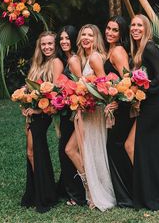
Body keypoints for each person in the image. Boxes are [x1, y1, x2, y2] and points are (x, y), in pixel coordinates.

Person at [125, 14, 159, 211]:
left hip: (154, 104)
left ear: (146, 28)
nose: (135, 28)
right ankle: (157, 189)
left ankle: (150, 192)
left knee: (136, 145)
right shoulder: (138, 49)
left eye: (139, 25)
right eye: (133, 25)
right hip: (149, 104)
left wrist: (145, 92)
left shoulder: (148, 47)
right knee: (151, 147)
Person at [67, 24, 116, 211]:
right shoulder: (84, 58)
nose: (86, 38)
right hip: (85, 112)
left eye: (90, 35)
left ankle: (95, 194)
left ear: (96, 39)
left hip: (93, 113)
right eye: (83, 34)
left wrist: (84, 94)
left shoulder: (95, 57)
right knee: (76, 150)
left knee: (84, 151)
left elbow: (103, 87)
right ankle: (91, 191)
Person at [21, 31, 58, 213]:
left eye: (50, 43)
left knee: (35, 151)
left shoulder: (56, 63)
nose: (47, 47)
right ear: (39, 46)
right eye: (44, 44)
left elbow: (56, 93)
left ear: (55, 44)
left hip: (44, 114)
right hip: (35, 113)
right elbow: (29, 87)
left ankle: (45, 193)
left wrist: (37, 109)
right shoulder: (38, 63)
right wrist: (24, 99)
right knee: (31, 151)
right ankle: (40, 190)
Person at [104, 16, 133, 208]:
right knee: (114, 147)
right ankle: (124, 193)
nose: (109, 32)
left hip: (123, 107)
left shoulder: (119, 51)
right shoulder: (110, 51)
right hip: (117, 105)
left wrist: (117, 102)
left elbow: (127, 80)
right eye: (108, 28)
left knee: (116, 146)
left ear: (121, 34)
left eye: (115, 30)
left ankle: (129, 193)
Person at [54, 25, 85, 206]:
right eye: (62, 39)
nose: (64, 42)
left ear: (73, 40)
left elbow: (81, 86)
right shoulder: (63, 60)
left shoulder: (74, 60)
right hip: (66, 112)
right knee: (64, 152)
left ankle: (78, 194)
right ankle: (68, 189)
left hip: (76, 113)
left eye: (67, 38)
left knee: (69, 151)